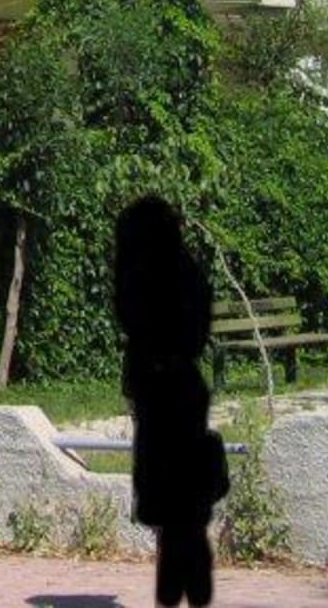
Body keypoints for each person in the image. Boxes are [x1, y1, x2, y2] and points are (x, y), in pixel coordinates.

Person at [115, 195, 228, 608]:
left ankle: (177, 589)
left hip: (157, 387)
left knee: (168, 498)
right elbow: (198, 328)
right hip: (184, 385)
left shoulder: (140, 275)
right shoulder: (187, 271)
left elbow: (128, 316)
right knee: (185, 503)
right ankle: (191, 587)